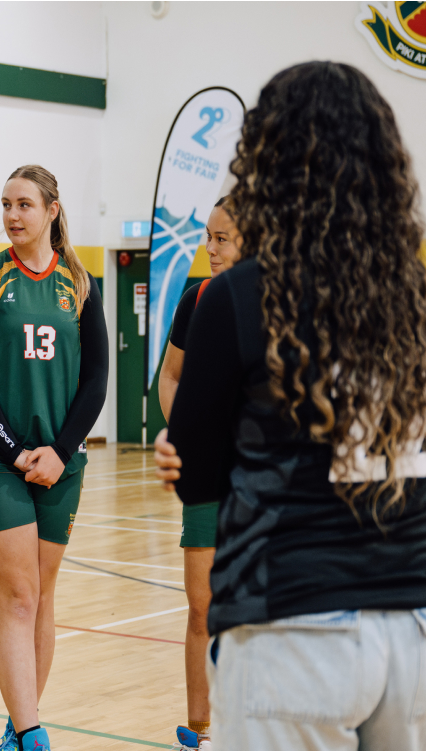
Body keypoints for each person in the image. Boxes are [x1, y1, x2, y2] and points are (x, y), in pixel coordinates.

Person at [154, 61, 426, 751]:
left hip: (290, 624)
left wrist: (182, 452)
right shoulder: (418, 295)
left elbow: (198, 480)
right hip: (414, 621)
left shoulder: (239, 297)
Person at [0, 165, 108, 751]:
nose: (13, 215)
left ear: (51, 209)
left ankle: (21, 724)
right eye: (5, 204)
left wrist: (61, 451)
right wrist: (16, 452)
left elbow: (96, 377)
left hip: (61, 461)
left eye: (24, 204)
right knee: (18, 597)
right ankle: (31, 731)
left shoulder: (79, 281)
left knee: (41, 597)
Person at [156, 196, 241, 751]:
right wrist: (185, 437)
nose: (209, 249)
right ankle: (201, 730)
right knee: (202, 605)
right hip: (209, 481)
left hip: (265, 483)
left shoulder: (283, 303)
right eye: (206, 237)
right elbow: (170, 375)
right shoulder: (198, 299)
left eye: (222, 238)